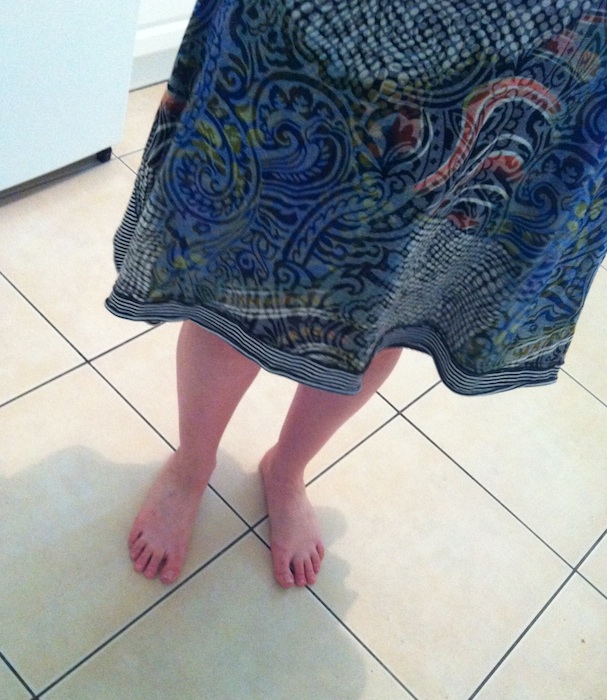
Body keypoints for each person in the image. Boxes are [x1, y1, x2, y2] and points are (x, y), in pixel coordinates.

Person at [107, 0, 607, 588]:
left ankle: (287, 467)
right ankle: (192, 465)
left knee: (388, 302)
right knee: (235, 270)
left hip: (538, 35)